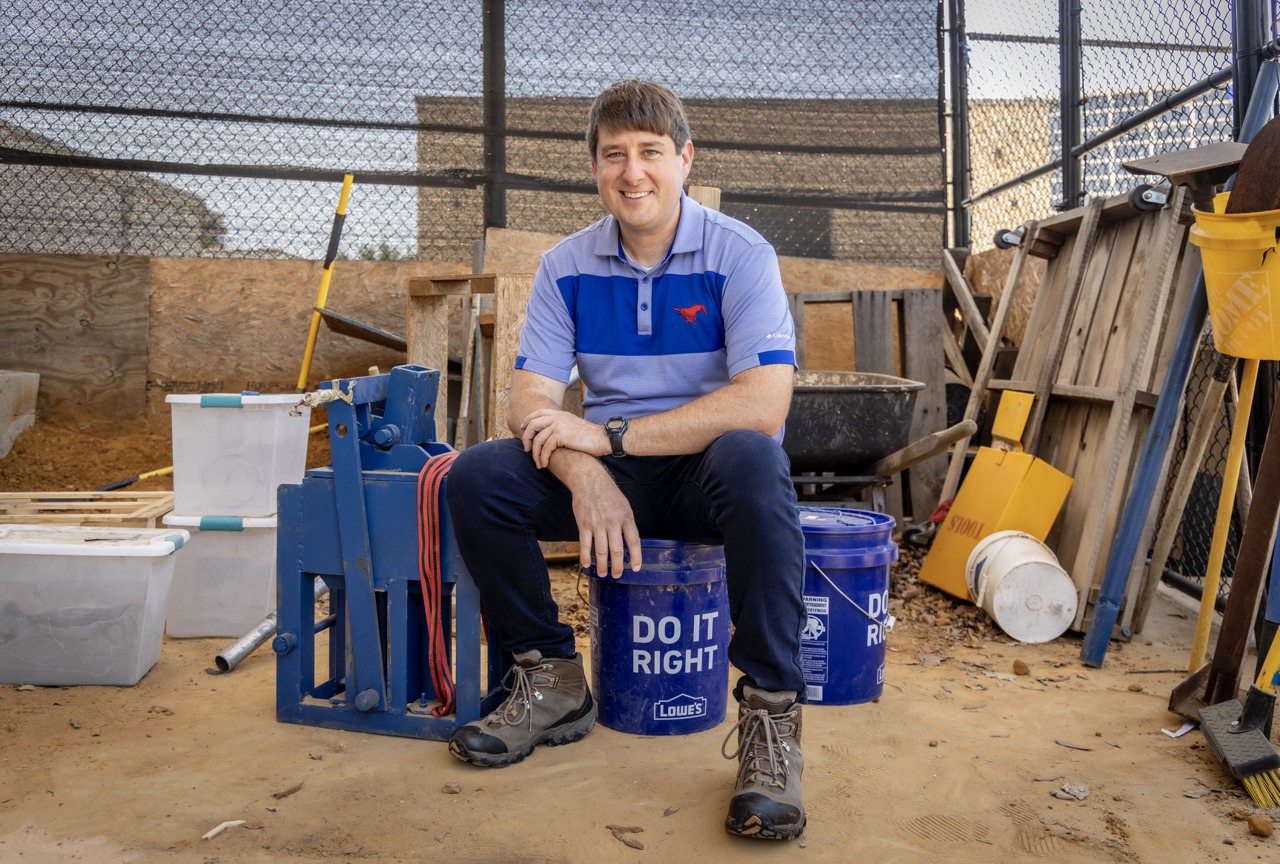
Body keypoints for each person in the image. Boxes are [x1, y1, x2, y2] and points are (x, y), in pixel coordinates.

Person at [444, 79, 808, 840]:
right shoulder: (565, 265)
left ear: (685, 159)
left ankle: (771, 722)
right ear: (594, 167)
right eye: (615, 156)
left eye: (650, 153)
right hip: (612, 466)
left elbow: (763, 404)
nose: (632, 172)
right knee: (478, 476)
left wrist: (608, 440)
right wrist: (586, 475)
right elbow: (528, 402)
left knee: (754, 459)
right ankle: (551, 680)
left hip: (707, 469)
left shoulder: (740, 254)